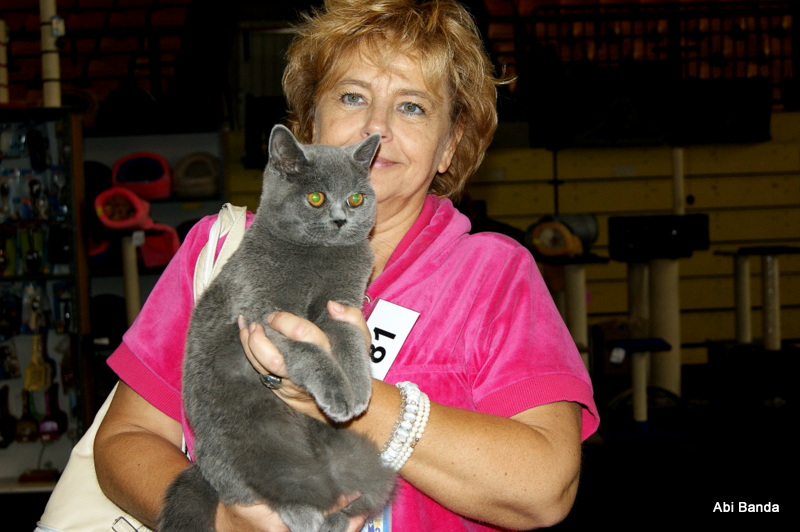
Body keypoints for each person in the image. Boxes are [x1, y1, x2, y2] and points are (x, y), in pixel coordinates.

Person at [93, 0, 599, 530]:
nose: (376, 127)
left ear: (449, 145)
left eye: (413, 107)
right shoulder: (220, 251)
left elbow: (545, 489)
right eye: (352, 96)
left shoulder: (493, 276)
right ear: (309, 121)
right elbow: (127, 438)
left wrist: (352, 401)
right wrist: (222, 523)